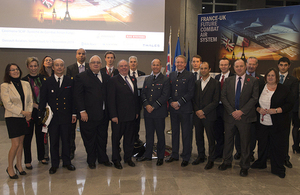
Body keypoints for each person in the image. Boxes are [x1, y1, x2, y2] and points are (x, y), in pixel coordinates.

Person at [219, 59, 259, 177]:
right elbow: (223, 96)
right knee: (228, 141)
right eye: (237, 66)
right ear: (234, 68)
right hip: (230, 117)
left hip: (245, 117)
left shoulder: (252, 81)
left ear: (245, 66)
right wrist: (232, 112)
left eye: (241, 66)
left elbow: (254, 98)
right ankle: (226, 161)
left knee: (245, 142)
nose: (239, 68)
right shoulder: (228, 80)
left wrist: (241, 111)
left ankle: (244, 166)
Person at [251, 68, 294, 178]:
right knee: (262, 144)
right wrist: (258, 109)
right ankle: (261, 163)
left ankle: (278, 168)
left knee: (277, 146)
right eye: (268, 75)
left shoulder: (284, 89)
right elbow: (254, 101)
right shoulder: (261, 88)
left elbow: (290, 104)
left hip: (278, 123)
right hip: (262, 123)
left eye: (272, 75)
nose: (270, 77)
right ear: (265, 77)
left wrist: (276, 110)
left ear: (277, 77)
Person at [39, 58, 76, 174]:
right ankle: (54, 164)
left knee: (66, 140)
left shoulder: (70, 80)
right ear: (53, 67)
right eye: (57, 65)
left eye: (61, 65)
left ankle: (67, 162)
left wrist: (74, 113)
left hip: (66, 116)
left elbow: (73, 99)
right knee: (54, 141)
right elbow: (43, 99)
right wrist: (42, 116)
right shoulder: (47, 81)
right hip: (53, 117)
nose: (59, 67)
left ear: (64, 68)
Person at [74, 55, 112, 169]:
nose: (96, 64)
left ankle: (102, 158)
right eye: (93, 62)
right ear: (89, 65)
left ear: (101, 65)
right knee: (89, 138)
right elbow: (78, 96)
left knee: (102, 137)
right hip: (88, 115)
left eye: (98, 62)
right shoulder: (81, 77)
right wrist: (82, 111)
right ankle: (91, 159)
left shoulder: (106, 76)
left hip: (103, 114)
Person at [1, 63, 33, 179]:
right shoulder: (5, 86)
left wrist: (28, 113)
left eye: (17, 69)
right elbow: (7, 104)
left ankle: (19, 165)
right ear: (8, 73)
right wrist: (23, 112)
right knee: (15, 144)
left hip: (24, 118)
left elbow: (30, 101)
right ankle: (9, 167)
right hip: (13, 117)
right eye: (12, 70)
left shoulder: (25, 84)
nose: (15, 71)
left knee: (21, 143)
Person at [137, 59, 170, 166]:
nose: (155, 67)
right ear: (151, 66)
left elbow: (165, 95)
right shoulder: (147, 79)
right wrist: (147, 105)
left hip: (159, 112)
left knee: (160, 135)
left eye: (157, 65)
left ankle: (160, 156)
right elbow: (143, 94)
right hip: (148, 112)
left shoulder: (165, 79)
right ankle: (148, 155)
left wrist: (154, 106)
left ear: (161, 66)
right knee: (149, 135)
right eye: (154, 65)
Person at [107, 59, 139, 169]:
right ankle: (116, 159)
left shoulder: (133, 79)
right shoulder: (113, 80)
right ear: (118, 68)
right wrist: (113, 115)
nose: (124, 67)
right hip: (118, 117)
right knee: (116, 139)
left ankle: (128, 158)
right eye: (121, 66)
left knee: (129, 139)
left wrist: (136, 112)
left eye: (126, 65)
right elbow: (110, 100)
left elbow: (135, 98)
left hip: (131, 116)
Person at [165, 55, 195, 167]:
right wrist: (172, 102)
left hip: (185, 109)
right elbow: (169, 91)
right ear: (175, 63)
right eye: (177, 62)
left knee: (186, 134)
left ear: (185, 64)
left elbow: (191, 93)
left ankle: (186, 156)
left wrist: (179, 103)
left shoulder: (190, 75)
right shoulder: (171, 75)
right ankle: (174, 154)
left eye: (181, 62)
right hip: (173, 109)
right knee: (175, 133)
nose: (179, 64)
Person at [234, 56, 264, 161]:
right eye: (249, 64)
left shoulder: (261, 79)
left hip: (253, 111)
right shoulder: (236, 77)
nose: (251, 66)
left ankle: (250, 152)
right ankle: (239, 151)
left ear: (257, 65)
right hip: (238, 112)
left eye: (253, 64)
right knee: (238, 133)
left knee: (252, 134)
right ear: (246, 64)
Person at [192, 62, 219, 169]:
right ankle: (200, 155)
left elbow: (216, 101)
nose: (203, 70)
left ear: (209, 69)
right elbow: (193, 99)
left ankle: (211, 159)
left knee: (211, 138)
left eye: (205, 68)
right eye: (201, 68)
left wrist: (203, 111)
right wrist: (197, 111)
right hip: (197, 116)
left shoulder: (215, 83)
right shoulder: (196, 83)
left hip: (209, 115)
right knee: (199, 137)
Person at [22, 57, 47, 170]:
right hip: (29, 112)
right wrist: (33, 105)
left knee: (40, 135)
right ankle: (27, 160)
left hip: (41, 111)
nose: (33, 68)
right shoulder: (23, 80)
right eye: (31, 66)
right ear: (27, 67)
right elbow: (22, 98)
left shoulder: (44, 78)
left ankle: (42, 156)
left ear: (38, 66)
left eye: (35, 66)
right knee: (27, 137)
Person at [66, 48, 89, 160]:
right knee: (71, 131)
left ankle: (90, 151)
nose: (81, 56)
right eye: (79, 54)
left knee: (87, 130)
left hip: (88, 104)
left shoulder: (90, 66)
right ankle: (71, 150)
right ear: (76, 55)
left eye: (83, 54)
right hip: (74, 103)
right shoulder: (70, 68)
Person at [277, 57, 298, 168]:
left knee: (284, 136)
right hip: (272, 112)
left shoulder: (293, 80)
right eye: (281, 65)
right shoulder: (273, 77)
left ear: (289, 66)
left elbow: (292, 97)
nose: (283, 67)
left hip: (286, 112)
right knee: (272, 135)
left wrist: (280, 107)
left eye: (285, 65)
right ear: (278, 65)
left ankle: (285, 158)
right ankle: (271, 156)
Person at [214, 58, 234, 159]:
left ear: (229, 66)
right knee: (218, 131)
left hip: (229, 109)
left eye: (225, 65)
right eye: (221, 65)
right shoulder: (217, 77)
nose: (223, 67)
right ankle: (219, 152)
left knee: (229, 133)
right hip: (218, 108)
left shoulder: (233, 77)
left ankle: (228, 154)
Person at [39, 55, 54, 162]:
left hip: (55, 108)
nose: (48, 62)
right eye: (46, 60)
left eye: (50, 60)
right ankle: (45, 155)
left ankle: (58, 153)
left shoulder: (56, 75)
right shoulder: (40, 77)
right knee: (45, 133)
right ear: (43, 63)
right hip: (45, 109)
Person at [128, 56, 146, 146]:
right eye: (131, 62)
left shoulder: (142, 74)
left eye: (134, 61)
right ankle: (129, 138)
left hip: (138, 103)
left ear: (137, 63)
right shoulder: (125, 74)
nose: (133, 63)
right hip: (127, 103)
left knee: (137, 121)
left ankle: (136, 137)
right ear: (129, 63)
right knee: (128, 122)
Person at [291, 67, 300, 153]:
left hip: (295, 109)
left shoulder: (294, 83)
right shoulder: (297, 83)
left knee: (296, 127)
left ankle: (296, 145)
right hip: (297, 109)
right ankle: (296, 146)